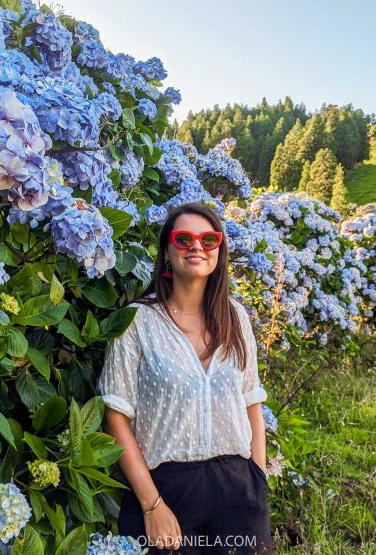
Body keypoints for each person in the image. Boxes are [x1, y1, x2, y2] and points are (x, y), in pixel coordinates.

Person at [96, 202, 273, 554]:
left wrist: (258, 476)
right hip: (166, 491)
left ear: (219, 251)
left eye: (209, 239)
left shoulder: (236, 317)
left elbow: (251, 399)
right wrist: (152, 505)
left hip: (239, 491)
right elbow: (115, 417)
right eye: (183, 238)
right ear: (166, 251)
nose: (197, 247)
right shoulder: (137, 321)